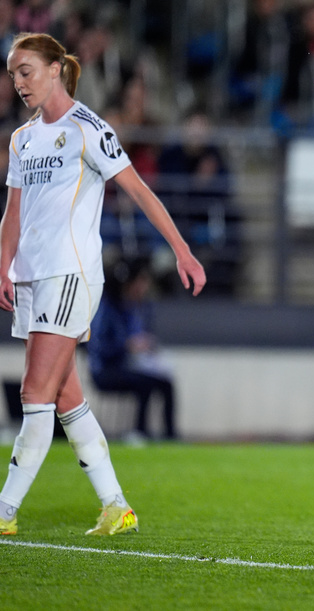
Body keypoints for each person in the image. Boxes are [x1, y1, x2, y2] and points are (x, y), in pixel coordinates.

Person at [0, 33, 205, 537]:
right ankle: (116, 506)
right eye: (12, 74)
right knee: (65, 396)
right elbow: (13, 212)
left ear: (54, 69)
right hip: (31, 277)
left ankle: (4, 510)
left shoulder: (88, 128)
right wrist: (3, 264)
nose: (18, 83)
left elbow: (139, 191)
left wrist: (181, 249)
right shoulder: (23, 138)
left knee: (34, 391)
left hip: (70, 275)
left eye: (26, 70)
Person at [89, 257, 178, 441]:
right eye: (141, 282)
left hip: (132, 365)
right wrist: (127, 345)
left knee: (166, 382)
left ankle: (170, 435)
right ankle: (139, 432)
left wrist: (147, 346)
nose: (144, 288)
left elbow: (143, 338)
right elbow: (97, 346)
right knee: (144, 383)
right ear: (130, 283)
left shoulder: (140, 309)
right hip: (106, 369)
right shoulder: (107, 307)